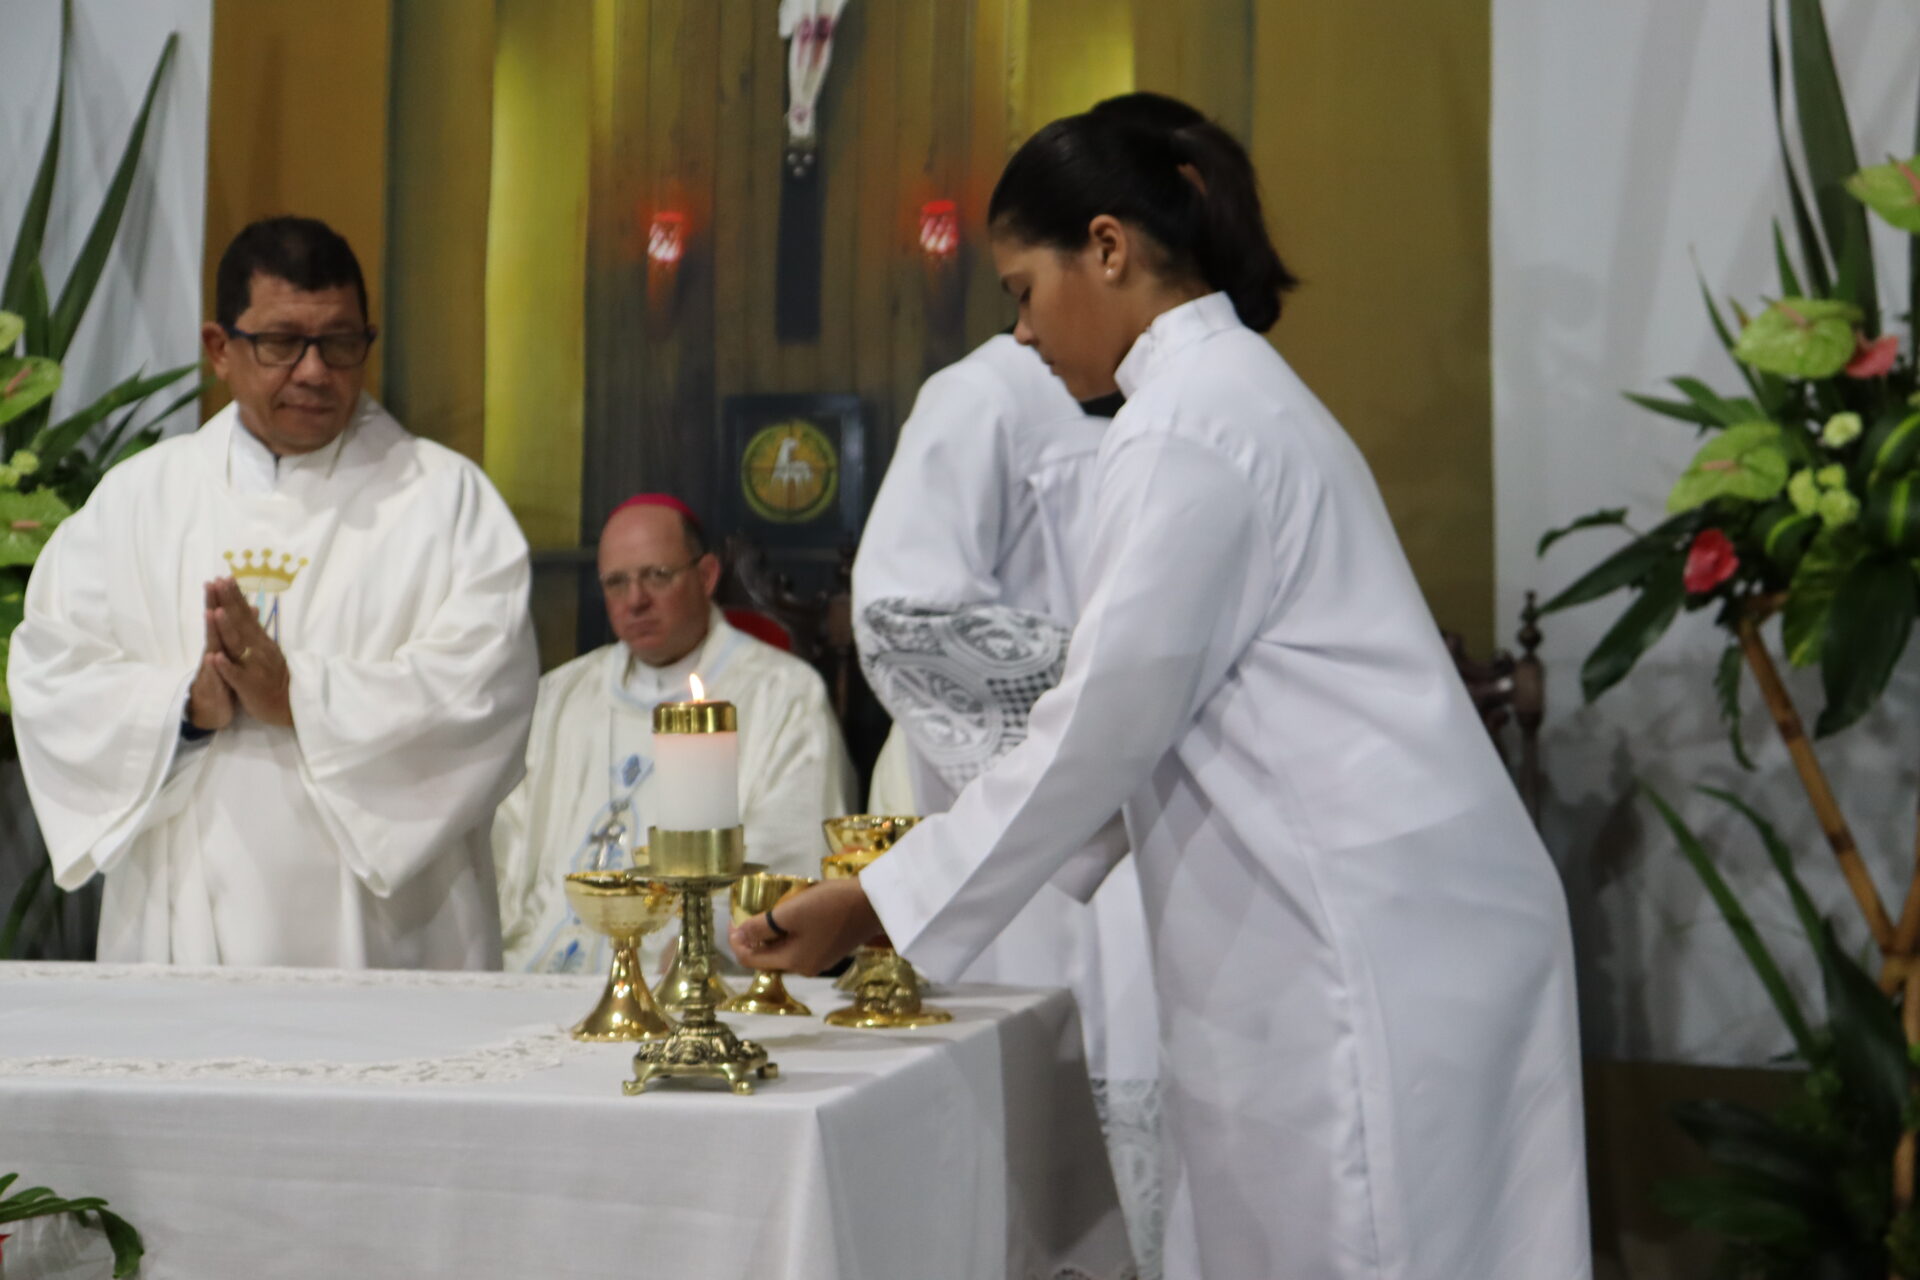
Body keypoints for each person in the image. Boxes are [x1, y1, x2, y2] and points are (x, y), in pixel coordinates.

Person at [735, 106, 1590, 1280]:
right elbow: (1123, 734)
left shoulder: (1189, 424)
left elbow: (1097, 732)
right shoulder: (1227, 394)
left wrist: (876, 900)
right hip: (1392, 920)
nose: (1022, 331)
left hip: (1365, 941)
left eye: (1024, 290)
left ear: (1108, 246)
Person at [10, 216, 537, 968]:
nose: (315, 371)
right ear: (219, 347)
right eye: (283, 342)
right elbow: (53, 674)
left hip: (392, 939)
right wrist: (186, 709)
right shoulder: (138, 502)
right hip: (181, 929)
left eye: (341, 342)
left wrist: (297, 697)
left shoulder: (447, 503)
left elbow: (484, 693)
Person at [492, 494, 856, 974]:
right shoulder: (561, 695)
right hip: (531, 969)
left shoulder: (782, 693)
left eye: (657, 576)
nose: (635, 600)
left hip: (677, 973)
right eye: (617, 583)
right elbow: (506, 844)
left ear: (706, 576)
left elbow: (790, 844)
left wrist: (709, 944)